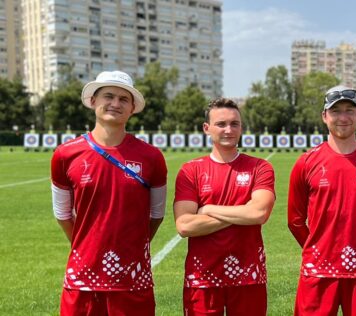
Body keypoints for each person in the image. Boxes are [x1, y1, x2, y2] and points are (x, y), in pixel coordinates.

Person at [50, 70, 168, 315]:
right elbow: (62, 214)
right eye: (108, 96)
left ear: (133, 107)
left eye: (124, 99)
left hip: (133, 279)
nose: (115, 103)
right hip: (82, 278)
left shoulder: (152, 157)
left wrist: (133, 245)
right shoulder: (64, 154)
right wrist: (87, 245)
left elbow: (156, 214)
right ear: (93, 101)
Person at [287, 85, 356, 316]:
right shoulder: (306, 162)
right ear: (324, 116)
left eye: (350, 110)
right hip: (317, 270)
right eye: (336, 111)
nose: (343, 117)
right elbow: (295, 220)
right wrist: (318, 248)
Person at [173, 98, 276, 315]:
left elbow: (258, 213)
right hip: (202, 278)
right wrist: (241, 212)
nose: (228, 130)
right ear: (206, 128)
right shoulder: (190, 171)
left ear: (241, 127)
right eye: (221, 124)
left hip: (249, 276)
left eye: (234, 124)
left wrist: (208, 208)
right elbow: (185, 226)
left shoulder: (260, 167)